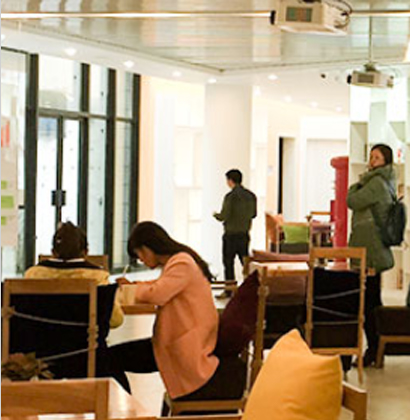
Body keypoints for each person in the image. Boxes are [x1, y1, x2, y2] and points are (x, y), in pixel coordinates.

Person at [110, 221, 220, 400]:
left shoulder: (182, 263)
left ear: (147, 247)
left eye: (139, 255)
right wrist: (133, 286)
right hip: (179, 342)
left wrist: (130, 289)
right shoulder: (178, 261)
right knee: (112, 357)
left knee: (109, 358)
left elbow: (158, 294)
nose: (141, 261)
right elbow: (159, 286)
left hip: (185, 348)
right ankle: (127, 407)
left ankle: (128, 409)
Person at [347, 144, 396, 367]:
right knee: (372, 300)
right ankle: (377, 349)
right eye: (371, 156)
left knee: (369, 303)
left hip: (371, 252)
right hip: (373, 249)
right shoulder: (382, 181)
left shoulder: (375, 183)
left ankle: (374, 350)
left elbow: (352, 200)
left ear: (385, 162)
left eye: (377, 157)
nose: (372, 160)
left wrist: (357, 184)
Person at [25, 221, 124, 329]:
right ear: (86, 252)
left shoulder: (33, 274)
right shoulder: (97, 277)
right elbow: (115, 320)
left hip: (40, 337)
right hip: (84, 338)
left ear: (53, 252)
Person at [213, 169, 257, 296]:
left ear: (230, 180)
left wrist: (216, 215)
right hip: (244, 234)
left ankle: (229, 291)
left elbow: (224, 215)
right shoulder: (251, 196)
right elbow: (254, 214)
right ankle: (251, 290)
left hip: (231, 235)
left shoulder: (230, 196)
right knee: (246, 263)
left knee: (228, 263)